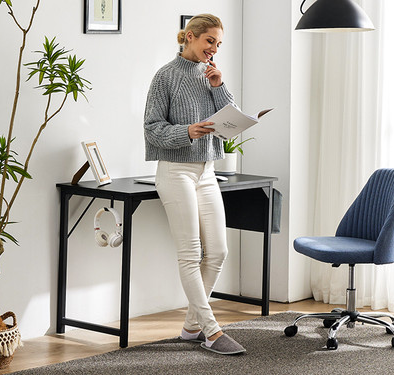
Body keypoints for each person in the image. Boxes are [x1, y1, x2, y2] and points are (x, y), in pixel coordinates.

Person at [143, 14, 246, 355]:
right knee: (191, 254)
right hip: (176, 171)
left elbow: (230, 119)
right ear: (189, 37)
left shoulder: (210, 75)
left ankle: (190, 326)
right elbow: (151, 128)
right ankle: (212, 331)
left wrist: (218, 85)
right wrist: (186, 131)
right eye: (209, 42)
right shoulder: (165, 77)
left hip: (206, 171)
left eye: (218, 44)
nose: (214, 49)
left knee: (218, 251)